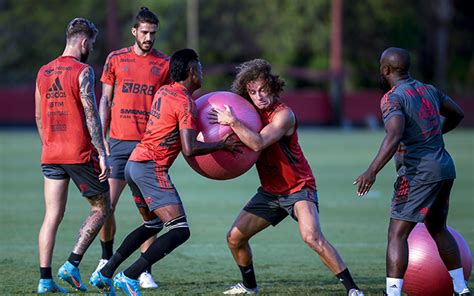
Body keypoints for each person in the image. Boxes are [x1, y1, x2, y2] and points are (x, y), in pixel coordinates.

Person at [89, 48, 241, 296]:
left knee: (151, 224)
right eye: (200, 68)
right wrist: (222, 144)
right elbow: (190, 148)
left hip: (133, 165)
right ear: (192, 71)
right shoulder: (185, 103)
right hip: (150, 168)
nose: (202, 73)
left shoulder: (164, 91)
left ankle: (105, 273)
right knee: (180, 229)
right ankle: (130, 276)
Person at [209, 59, 364, 296]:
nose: (259, 96)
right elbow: (229, 139)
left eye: (262, 90)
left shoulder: (284, 115)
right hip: (270, 191)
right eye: (252, 92)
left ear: (272, 86)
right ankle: (250, 286)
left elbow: (258, 142)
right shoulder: (249, 115)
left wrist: (232, 121)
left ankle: (353, 290)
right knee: (234, 238)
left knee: (311, 237)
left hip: (298, 187)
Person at [354, 47, 470, 296]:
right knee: (438, 228)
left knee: (397, 234)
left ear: (385, 69)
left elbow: (394, 134)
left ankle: (392, 293)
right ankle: (461, 289)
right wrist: (435, 134)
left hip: (419, 174)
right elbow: (458, 113)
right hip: (445, 168)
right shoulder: (428, 89)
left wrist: (371, 170)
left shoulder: (392, 97)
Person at [35, 17, 111, 293]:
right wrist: (102, 152)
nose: (91, 47)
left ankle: (45, 281)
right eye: (91, 43)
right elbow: (92, 115)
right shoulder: (83, 70)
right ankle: (72, 264)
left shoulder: (43, 72)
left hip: (50, 152)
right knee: (102, 207)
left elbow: (38, 115)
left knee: (51, 216)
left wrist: (49, 144)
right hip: (77, 152)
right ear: (83, 41)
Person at [97, 7, 170, 289]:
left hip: (148, 148)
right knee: (106, 206)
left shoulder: (163, 64)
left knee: (150, 213)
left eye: (153, 33)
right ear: (134, 32)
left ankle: (144, 270)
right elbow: (105, 100)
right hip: (117, 144)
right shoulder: (115, 59)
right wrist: (101, 138)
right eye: (144, 32)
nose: (149, 37)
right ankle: (106, 258)